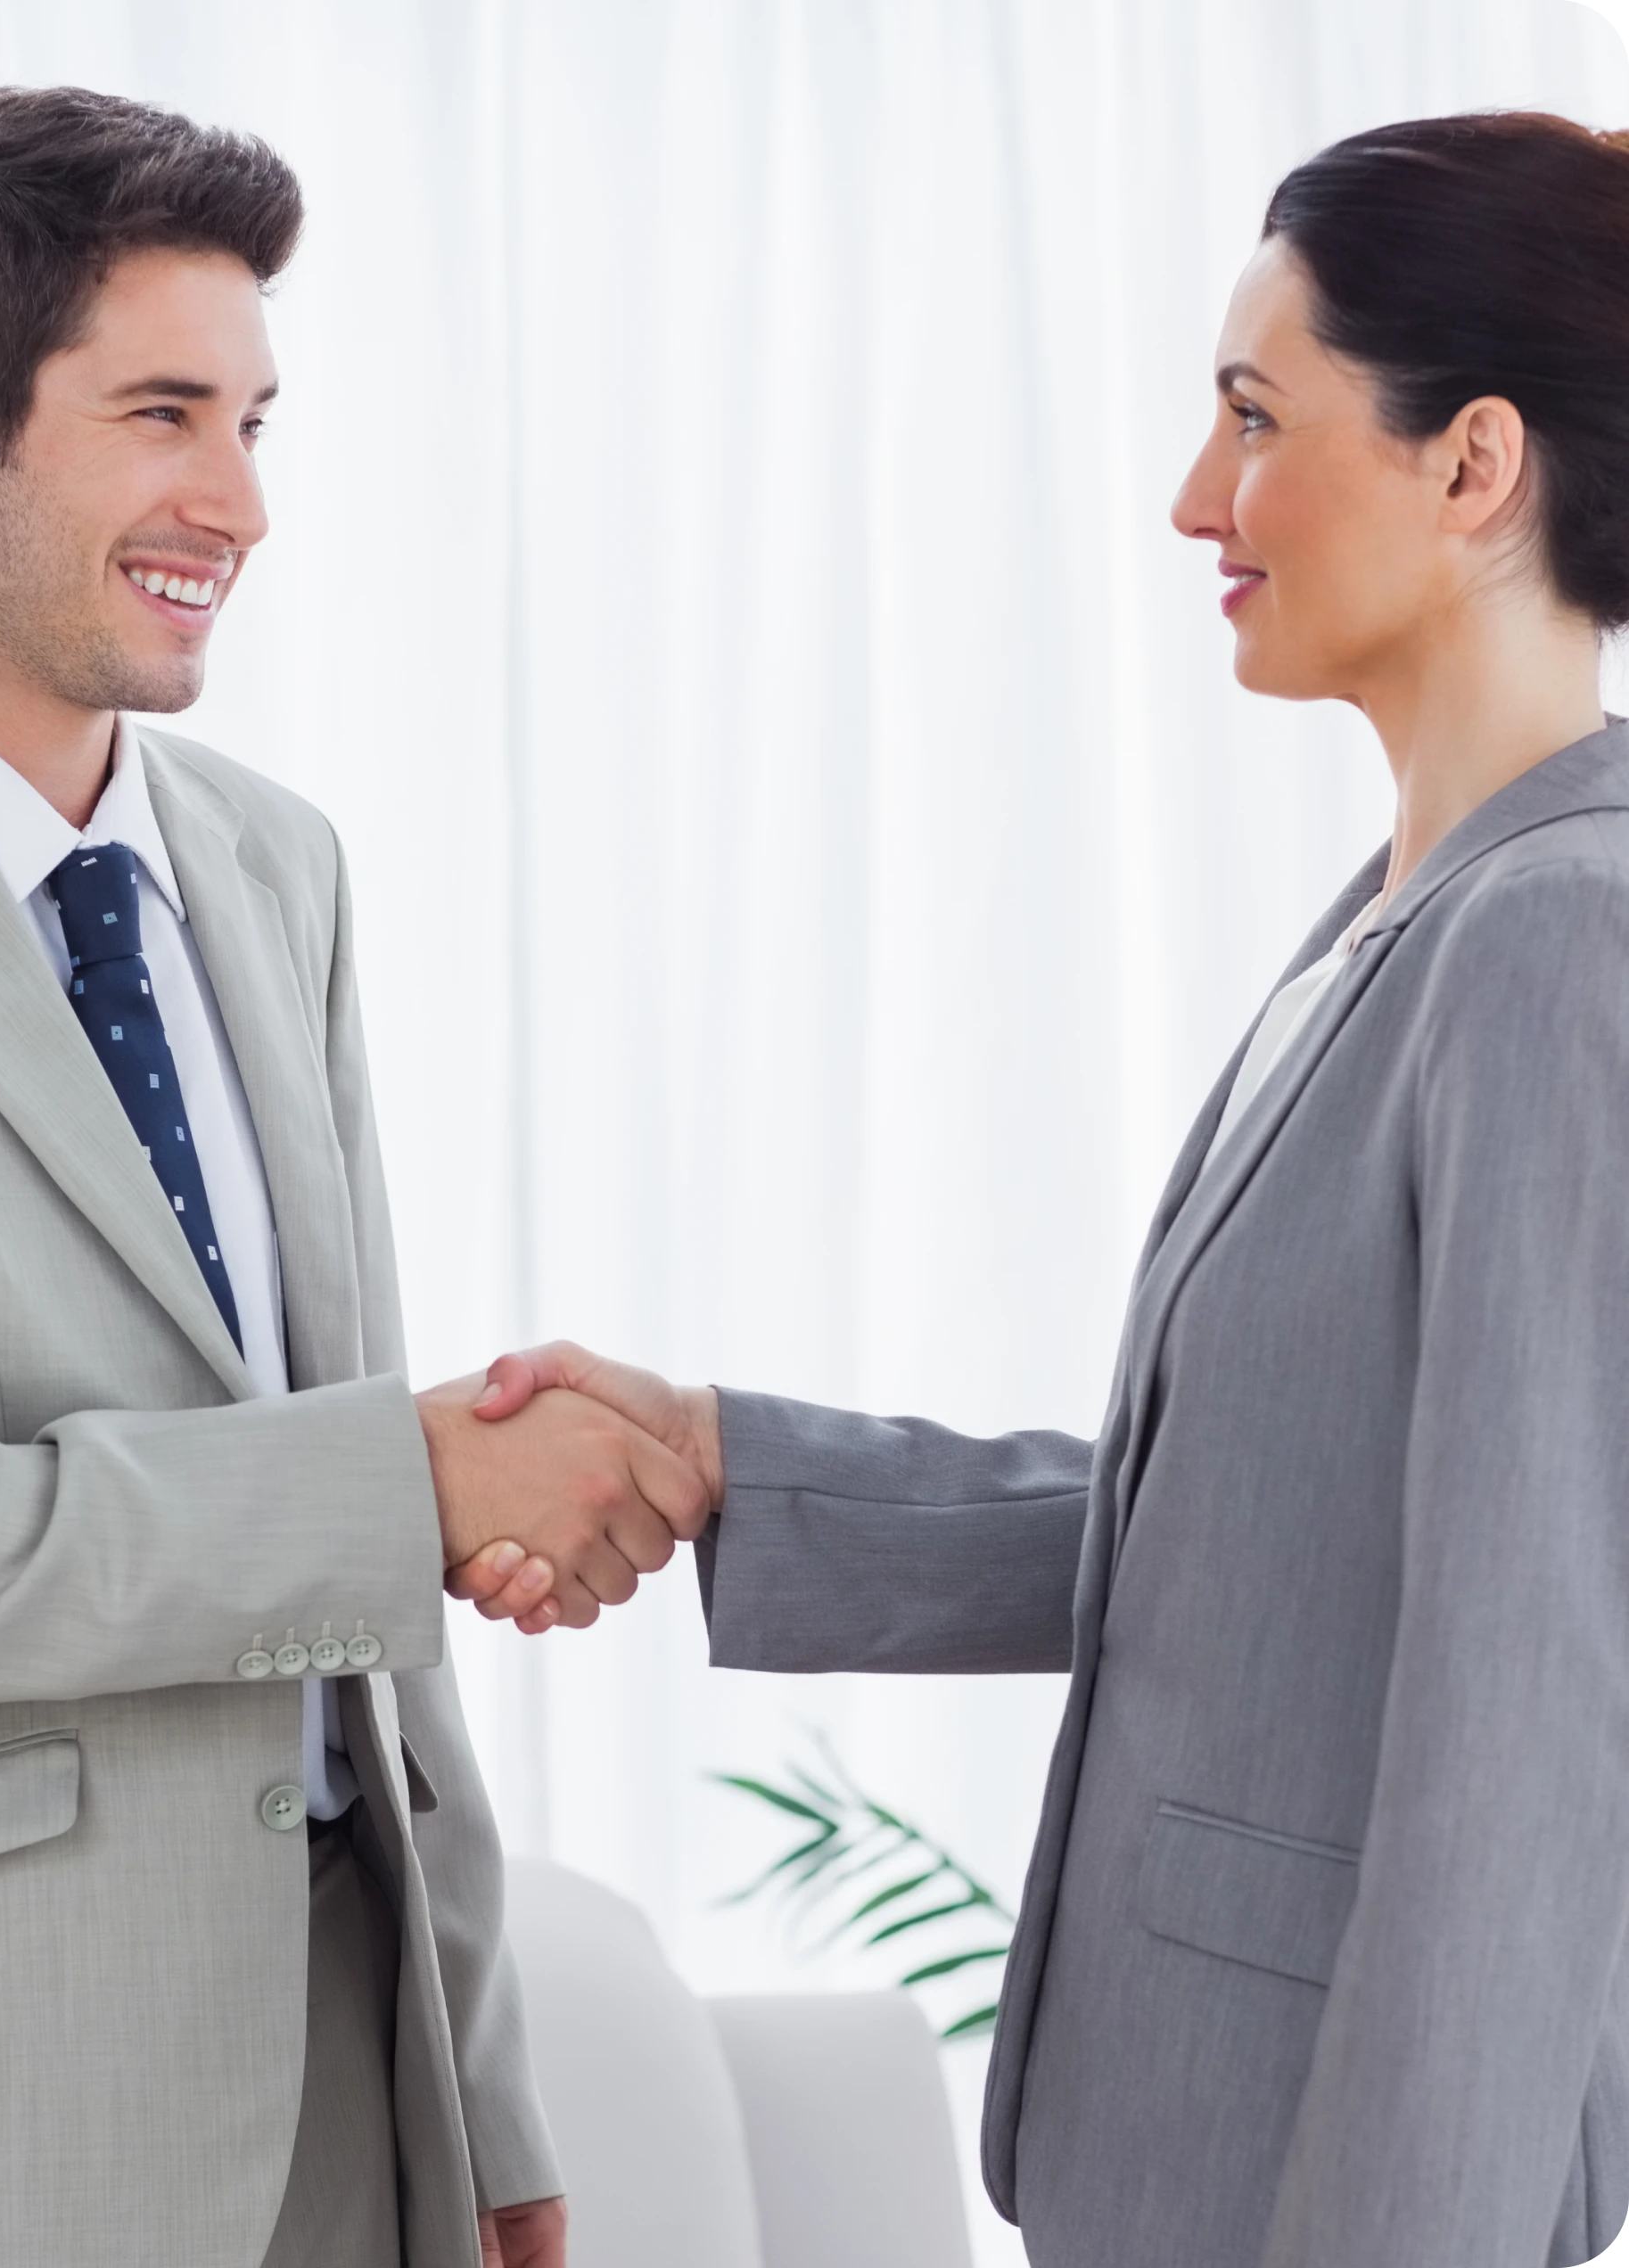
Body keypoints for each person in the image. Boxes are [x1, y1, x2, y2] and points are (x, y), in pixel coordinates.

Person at [453, 111, 1629, 2268]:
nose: (1197, 496)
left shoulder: (1556, 943)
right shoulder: (1401, 919)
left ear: (1471, 468)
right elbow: (1261, 1528)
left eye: (1252, 419)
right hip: (1180, 2150)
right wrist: (730, 1467)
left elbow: (1520, 1734)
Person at [0, 86, 708, 2268]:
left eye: (254, 420)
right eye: (164, 413)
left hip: (350, 2063)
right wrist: (403, 1492)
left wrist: (482, 2089)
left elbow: (357, 1497)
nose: (235, 500)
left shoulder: (267, 863)